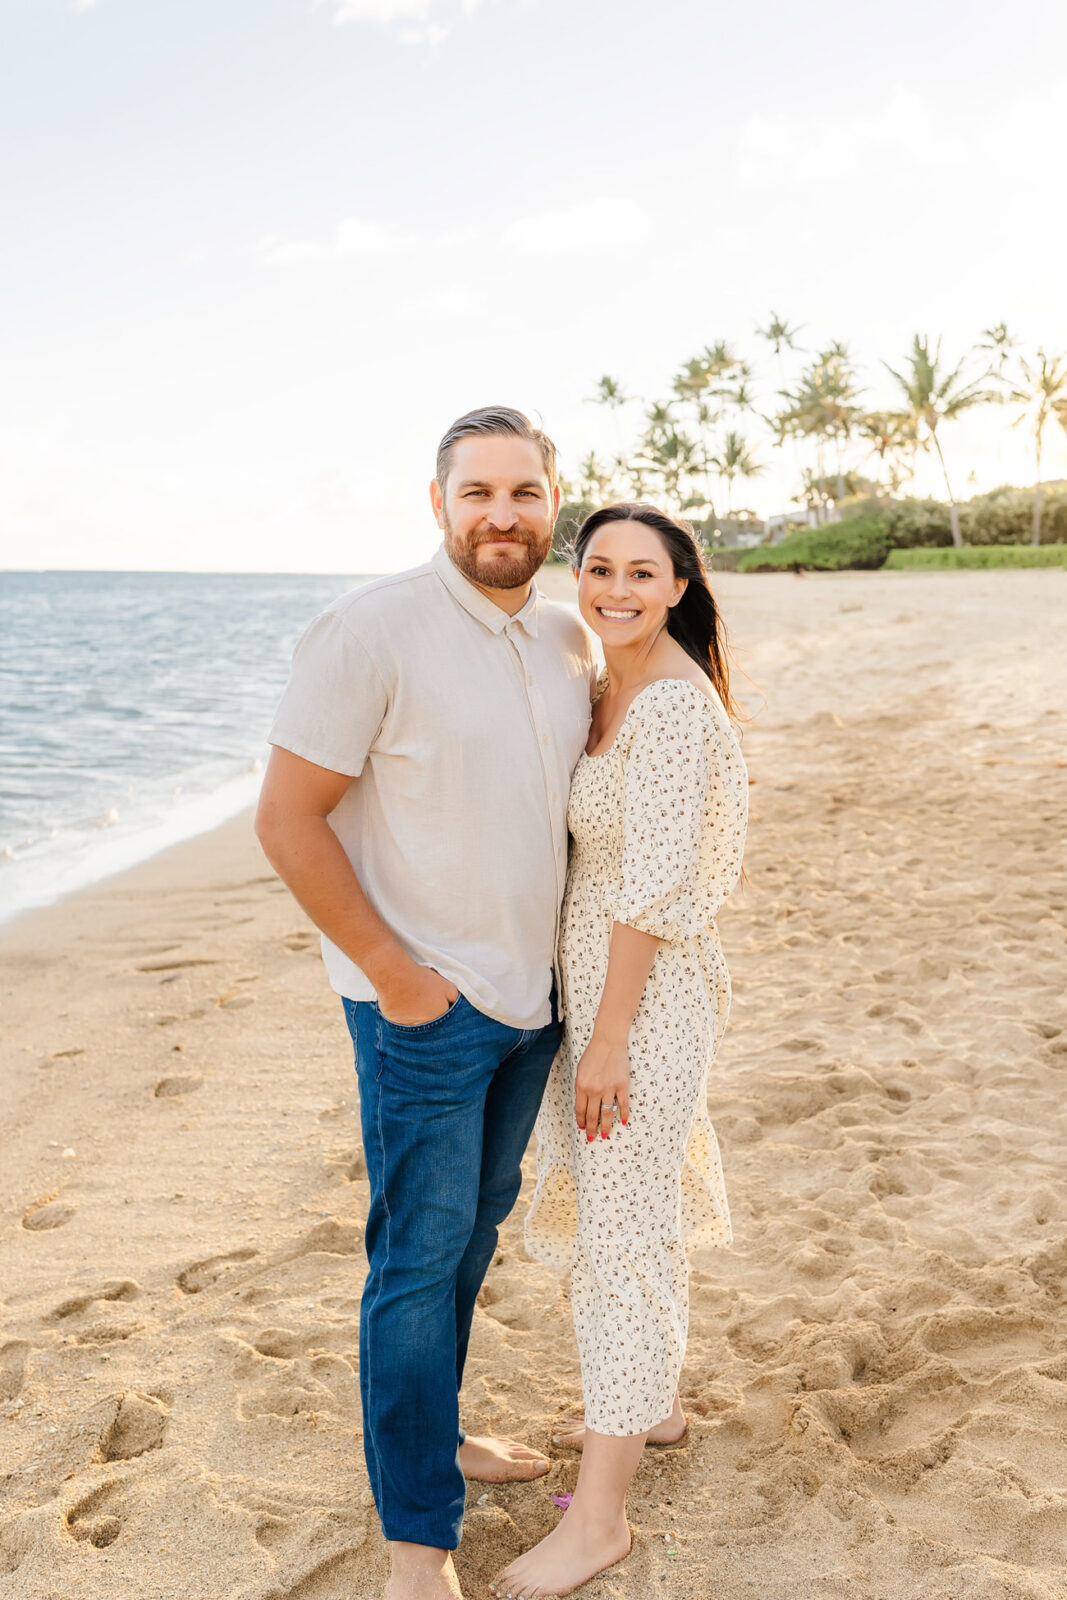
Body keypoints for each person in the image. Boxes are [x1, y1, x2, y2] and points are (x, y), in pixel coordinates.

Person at [255, 407, 597, 1600]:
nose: (501, 514)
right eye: (477, 493)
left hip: (527, 1003)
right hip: (422, 1014)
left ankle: (438, 1435)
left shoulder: (562, 637)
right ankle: (417, 1546)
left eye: (523, 492)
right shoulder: (369, 631)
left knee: (469, 1237)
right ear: (437, 503)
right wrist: (401, 979)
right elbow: (286, 821)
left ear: (553, 502)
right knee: (411, 1260)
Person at [491, 503, 748, 1599]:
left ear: (679, 585)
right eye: (596, 567)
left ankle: (597, 1523)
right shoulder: (610, 685)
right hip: (603, 985)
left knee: (624, 1237)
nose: (614, 587)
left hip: (635, 1000)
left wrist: (605, 1039)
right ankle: (654, 1405)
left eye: (642, 572)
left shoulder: (673, 711)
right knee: (632, 1206)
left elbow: (647, 886)